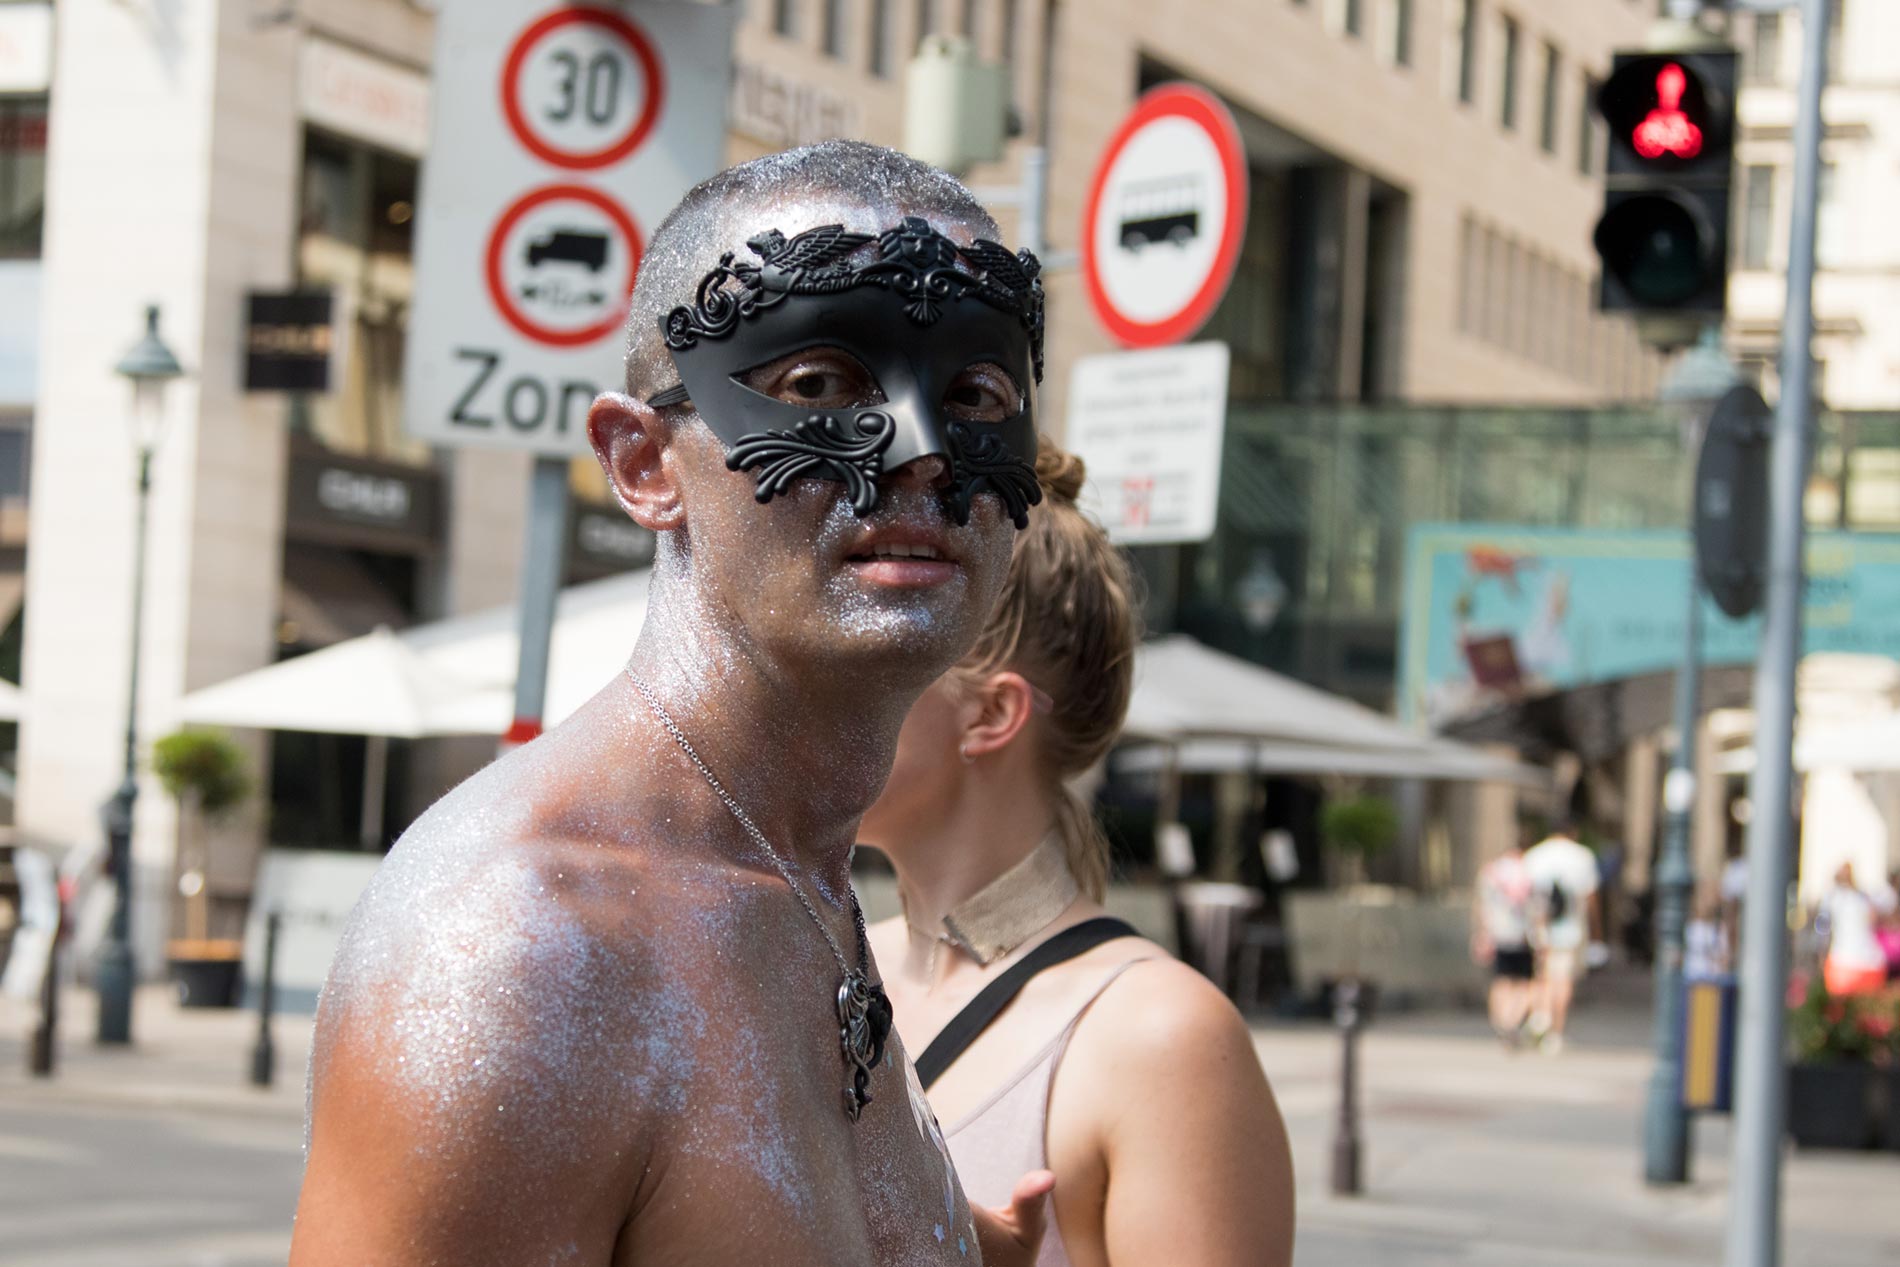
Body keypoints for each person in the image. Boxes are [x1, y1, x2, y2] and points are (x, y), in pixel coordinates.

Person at [292, 141, 1060, 1266]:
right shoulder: (524, 949)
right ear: (643, 462)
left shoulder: (803, 883)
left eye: (977, 393)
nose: (927, 453)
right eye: (820, 387)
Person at [857, 444, 1295, 1267]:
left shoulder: (1162, 1041)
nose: (823, 688)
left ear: (991, 715)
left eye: (876, 656)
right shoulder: (825, 961)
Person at [1522, 820, 1600, 1055]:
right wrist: (1597, 931)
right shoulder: (1582, 857)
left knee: (1541, 976)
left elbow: (1525, 895)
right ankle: (1555, 1032)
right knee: (1562, 981)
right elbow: (1591, 897)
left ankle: (1540, 1017)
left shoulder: (1534, 856)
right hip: (1570, 927)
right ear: (1573, 832)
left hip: (1539, 926)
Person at [1471, 831, 1536, 1047]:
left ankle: (1500, 1022)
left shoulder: (1491, 871)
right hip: (1524, 936)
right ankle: (1514, 1021)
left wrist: (1482, 931)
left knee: (1501, 980)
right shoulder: (1530, 871)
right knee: (1524, 983)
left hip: (1497, 933)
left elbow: (1482, 905)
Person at [1818, 861, 1897, 997]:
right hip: (1868, 965)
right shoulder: (1862, 899)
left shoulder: (1834, 898)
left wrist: (1821, 953)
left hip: (1844, 965)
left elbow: (1822, 929)